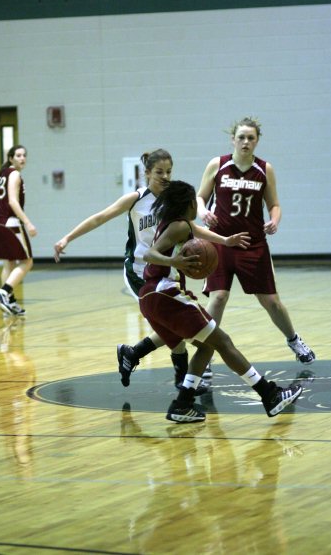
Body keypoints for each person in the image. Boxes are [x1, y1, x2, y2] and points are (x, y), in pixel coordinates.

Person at [53, 148, 250, 391]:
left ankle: (134, 354)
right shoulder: (136, 199)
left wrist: (225, 240)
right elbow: (99, 218)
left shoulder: (172, 200)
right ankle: (182, 383)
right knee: (175, 326)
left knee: (173, 325)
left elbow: (192, 229)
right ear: (147, 173)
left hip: (167, 270)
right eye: (159, 172)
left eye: (169, 171)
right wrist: (67, 239)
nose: (165, 176)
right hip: (140, 271)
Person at [138, 180, 303, 423]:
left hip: (150, 296)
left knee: (207, 346)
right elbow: (149, 254)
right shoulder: (179, 226)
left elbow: (197, 231)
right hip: (165, 293)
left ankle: (182, 403)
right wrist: (175, 263)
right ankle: (269, 395)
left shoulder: (175, 224)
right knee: (224, 342)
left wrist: (225, 241)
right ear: (190, 203)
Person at [196, 116, 315, 364]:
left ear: (257, 141)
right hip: (221, 241)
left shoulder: (264, 169)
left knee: (271, 301)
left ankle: (294, 340)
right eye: (241, 137)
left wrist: (275, 220)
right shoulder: (217, 165)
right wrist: (203, 212)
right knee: (218, 298)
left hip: (253, 244)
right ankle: (204, 357)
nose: (246, 142)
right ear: (233, 139)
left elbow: (275, 204)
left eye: (251, 138)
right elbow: (199, 197)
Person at [0, 145, 37, 316]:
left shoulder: (3, 174)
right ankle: (4, 292)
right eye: (18, 155)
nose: (22, 158)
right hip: (10, 223)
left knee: (9, 263)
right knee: (27, 261)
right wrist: (28, 222)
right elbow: (12, 202)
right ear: (10, 158)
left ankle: (7, 303)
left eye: (24, 155)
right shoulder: (14, 174)